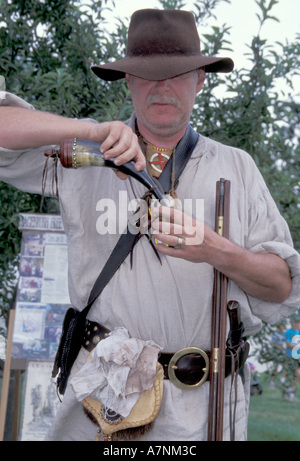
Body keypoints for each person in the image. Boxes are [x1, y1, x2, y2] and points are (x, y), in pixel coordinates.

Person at [0, 9, 300, 442]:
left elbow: (282, 286)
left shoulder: (237, 167)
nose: (162, 87)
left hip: (205, 410)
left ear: (200, 80)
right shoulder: (84, 151)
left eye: (178, 74)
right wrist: (91, 130)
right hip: (102, 404)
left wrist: (215, 249)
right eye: (146, 73)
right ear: (127, 80)